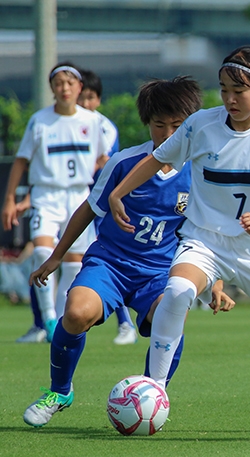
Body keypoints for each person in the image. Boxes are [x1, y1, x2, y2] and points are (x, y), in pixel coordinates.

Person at [108, 46, 250, 394]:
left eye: (239, 90)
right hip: (203, 241)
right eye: (224, 88)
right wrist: (117, 193)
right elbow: (155, 159)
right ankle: (154, 389)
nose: (230, 98)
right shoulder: (200, 125)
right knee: (178, 290)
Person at [23, 76, 234, 428]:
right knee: (75, 313)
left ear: (191, 126)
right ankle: (60, 392)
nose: (168, 134)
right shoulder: (124, 162)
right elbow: (88, 208)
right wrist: (57, 255)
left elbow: (212, 229)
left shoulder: (199, 173)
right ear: (147, 124)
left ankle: (153, 394)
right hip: (110, 264)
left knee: (171, 313)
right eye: (159, 125)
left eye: (178, 126)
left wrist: (215, 281)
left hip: (160, 272)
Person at [2, 62, 110, 343]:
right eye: (58, 83)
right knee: (41, 251)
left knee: (75, 262)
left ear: (79, 88)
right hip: (46, 194)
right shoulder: (40, 120)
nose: (64, 88)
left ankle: (61, 321)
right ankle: (48, 318)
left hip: (78, 195)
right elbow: (22, 161)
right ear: (52, 88)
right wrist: (11, 198)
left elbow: (103, 158)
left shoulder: (93, 121)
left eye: (69, 83)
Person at [78, 68, 137, 345]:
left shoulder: (103, 126)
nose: (85, 103)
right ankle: (46, 321)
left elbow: (104, 162)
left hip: (100, 201)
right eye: (82, 97)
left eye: (90, 97)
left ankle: (126, 324)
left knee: (108, 260)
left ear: (98, 100)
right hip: (75, 198)